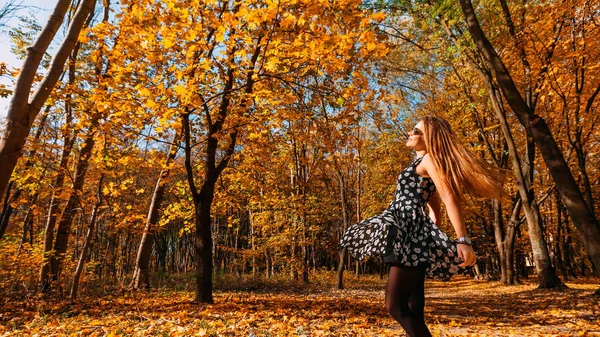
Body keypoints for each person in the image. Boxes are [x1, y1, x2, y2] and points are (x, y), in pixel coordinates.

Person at [338, 116, 505, 337]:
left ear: (430, 138)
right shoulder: (421, 164)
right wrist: (430, 233)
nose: (410, 132)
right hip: (412, 233)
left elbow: (449, 197)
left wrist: (462, 240)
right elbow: (433, 205)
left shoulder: (430, 161)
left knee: (394, 306)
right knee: (413, 305)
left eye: (416, 131)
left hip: (408, 235)